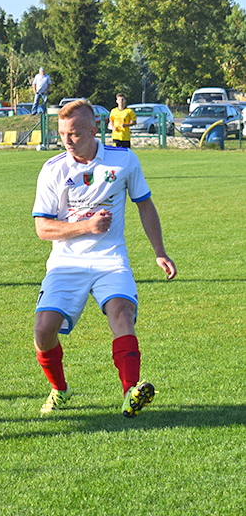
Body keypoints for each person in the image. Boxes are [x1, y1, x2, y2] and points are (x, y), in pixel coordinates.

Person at [31, 100, 176, 418]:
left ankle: (130, 394)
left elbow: (145, 205)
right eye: (62, 134)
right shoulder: (54, 169)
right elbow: (42, 228)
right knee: (43, 330)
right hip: (66, 263)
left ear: (95, 129)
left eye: (75, 134)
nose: (67, 141)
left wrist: (159, 252)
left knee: (122, 314)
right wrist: (86, 226)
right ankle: (60, 390)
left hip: (110, 259)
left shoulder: (123, 160)